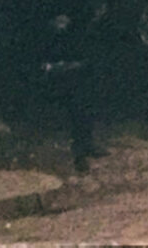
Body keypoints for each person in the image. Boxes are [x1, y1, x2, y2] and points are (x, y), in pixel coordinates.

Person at [39, 10, 105, 173]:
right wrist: (59, 67)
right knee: (71, 116)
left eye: (65, 22)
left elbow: (83, 58)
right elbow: (44, 65)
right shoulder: (49, 41)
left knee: (85, 111)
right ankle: (77, 155)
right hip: (59, 84)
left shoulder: (73, 38)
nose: (63, 25)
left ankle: (86, 145)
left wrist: (78, 65)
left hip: (76, 80)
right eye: (59, 22)